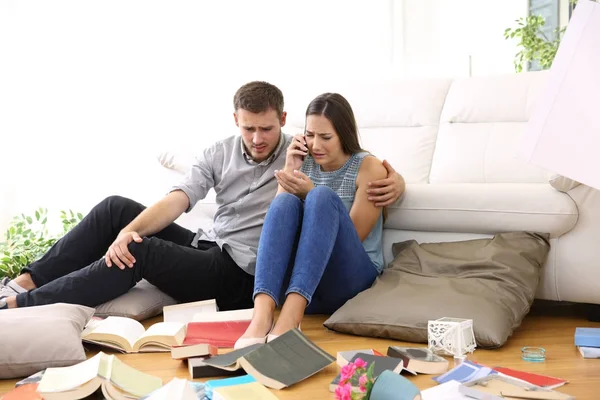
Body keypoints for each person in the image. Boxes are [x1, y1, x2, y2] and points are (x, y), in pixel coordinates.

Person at [0, 81, 405, 312]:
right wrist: (128, 229)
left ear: (283, 120)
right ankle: (22, 283)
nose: (257, 139)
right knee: (116, 209)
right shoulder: (222, 152)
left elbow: (346, 174)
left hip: (243, 270)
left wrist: (395, 179)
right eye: (248, 129)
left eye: (266, 129)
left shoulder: (298, 151)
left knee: (144, 252)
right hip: (211, 245)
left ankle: (25, 306)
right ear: (236, 121)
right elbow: (179, 197)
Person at [234, 92, 389, 349]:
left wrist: (311, 192)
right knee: (284, 202)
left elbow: (355, 235)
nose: (316, 145)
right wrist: (290, 168)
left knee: (321, 197)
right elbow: (278, 226)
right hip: (307, 287)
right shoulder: (304, 163)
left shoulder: (369, 167)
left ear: (344, 134)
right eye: (310, 135)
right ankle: (261, 317)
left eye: (326, 137)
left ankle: (291, 319)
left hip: (350, 282)